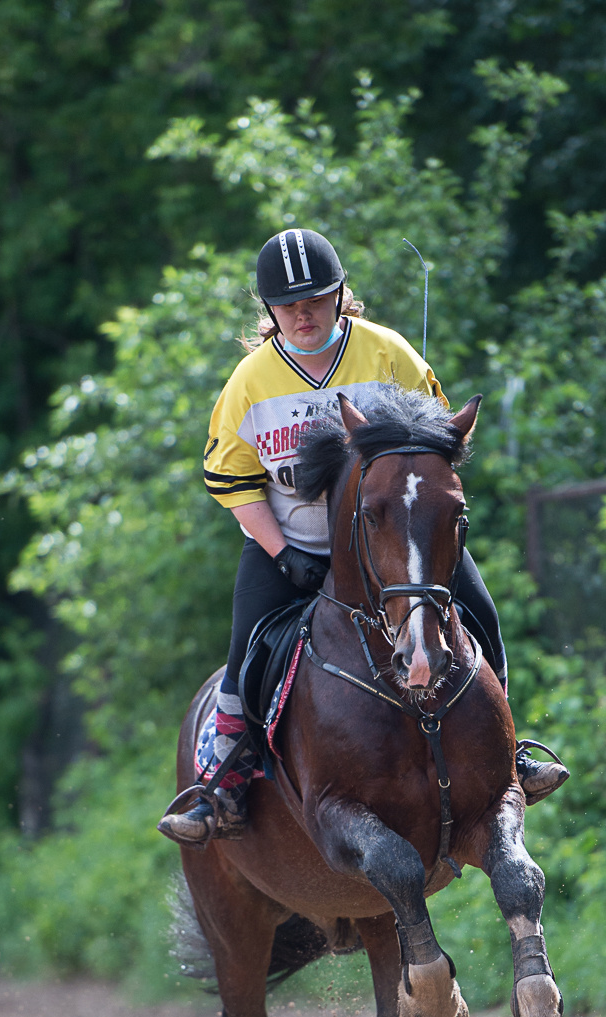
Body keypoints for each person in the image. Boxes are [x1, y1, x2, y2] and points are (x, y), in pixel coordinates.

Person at [158, 228, 567, 845]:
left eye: (317, 299)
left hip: (396, 546)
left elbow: (439, 447)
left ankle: (507, 755)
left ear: (341, 294)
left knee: (481, 614)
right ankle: (224, 785)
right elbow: (229, 479)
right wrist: (282, 552)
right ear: (268, 310)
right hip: (290, 543)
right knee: (246, 649)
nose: (303, 314)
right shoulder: (250, 382)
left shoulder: (388, 355)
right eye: (288, 304)